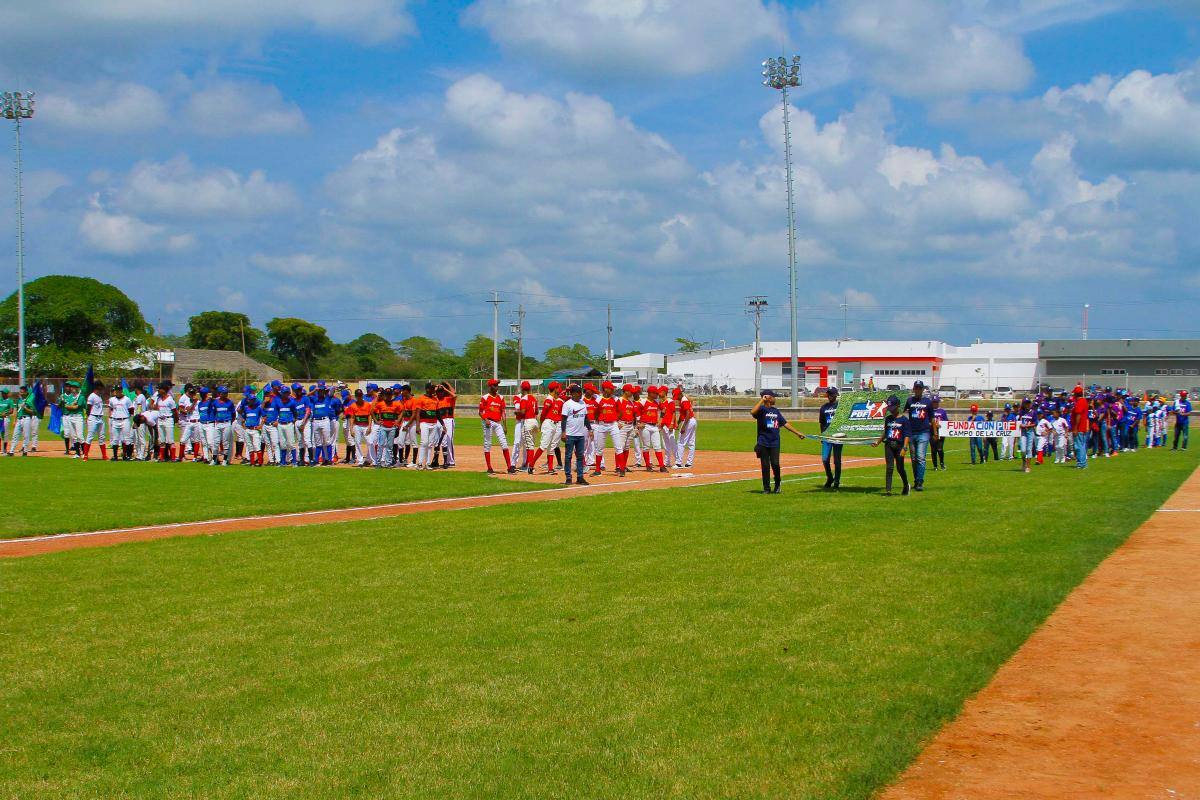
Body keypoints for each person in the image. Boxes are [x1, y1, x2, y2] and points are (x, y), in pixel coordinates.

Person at [750, 390, 804, 494]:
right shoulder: (761, 410)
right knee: (765, 465)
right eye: (773, 397)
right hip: (763, 442)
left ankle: (777, 485)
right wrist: (762, 400)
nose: (775, 398)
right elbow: (752, 412)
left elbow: (785, 424)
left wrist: (797, 433)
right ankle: (766, 488)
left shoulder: (776, 411)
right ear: (768, 397)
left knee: (775, 464)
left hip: (774, 442)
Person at [871, 395, 910, 496]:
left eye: (892, 408)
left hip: (899, 445)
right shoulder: (888, 419)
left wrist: (904, 448)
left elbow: (907, 435)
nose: (891, 410)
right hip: (889, 445)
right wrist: (878, 442)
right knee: (889, 467)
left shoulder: (904, 420)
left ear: (898, 406)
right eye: (889, 408)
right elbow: (885, 432)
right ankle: (888, 490)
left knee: (900, 468)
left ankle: (906, 485)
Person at [479, 378, 516, 474]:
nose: (497, 387)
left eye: (497, 385)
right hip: (488, 423)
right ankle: (489, 468)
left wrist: (505, 425)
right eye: (495, 385)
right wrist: (486, 419)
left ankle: (509, 467)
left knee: (504, 443)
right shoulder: (485, 397)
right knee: (488, 444)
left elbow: (503, 412)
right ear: (490, 386)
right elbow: (480, 412)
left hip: (498, 423)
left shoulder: (501, 397)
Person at [560, 384, 592, 485]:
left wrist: (590, 429)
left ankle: (580, 477)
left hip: (580, 435)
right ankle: (568, 477)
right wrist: (563, 432)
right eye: (578, 393)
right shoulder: (567, 404)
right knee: (568, 456)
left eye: (580, 393)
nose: (580, 395)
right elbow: (563, 419)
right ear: (573, 394)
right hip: (570, 435)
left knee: (580, 456)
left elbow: (586, 418)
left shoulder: (583, 403)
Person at [903, 380, 931, 491]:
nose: (918, 390)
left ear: (923, 389)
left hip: (923, 432)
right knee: (914, 459)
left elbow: (932, 417)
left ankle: (920, 481)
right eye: (917, 388)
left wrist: (935, 432)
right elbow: (902, 411)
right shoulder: (910, 401)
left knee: (920, 458)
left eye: (920, 388)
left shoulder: (927, 402)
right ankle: (916, 480)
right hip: (911, 432)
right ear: (914, 389)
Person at [818, 386, 843, 488]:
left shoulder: (841, 407)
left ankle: (836, 481)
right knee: (824, 459)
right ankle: (830, 477)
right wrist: (822, 435)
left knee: (837, 460)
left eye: (832, 394)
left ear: (836, 395)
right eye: (829, 394)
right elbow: (822, 423)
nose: (830, 396)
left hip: (838, 436)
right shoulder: (823, 407)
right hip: (827, 436)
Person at [345, 388, 375, 466]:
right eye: (358, 395)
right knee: (357, 443)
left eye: (360, 395)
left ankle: (372, 460)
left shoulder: (367, 404)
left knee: (370, 442)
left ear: (362, 395)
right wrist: (351, 429)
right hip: (357, 425)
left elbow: (369, 416)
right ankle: (360, 460)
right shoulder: (353, 405)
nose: (359, 397)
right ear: (356, 396)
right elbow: (352, 417)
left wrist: (369, 426)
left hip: (365, 426)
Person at [7, 385, 38, 456]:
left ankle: (25, 451)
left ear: (26, 392)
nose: (20, 393)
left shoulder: (29, 401)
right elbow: (17, 411)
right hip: (19, 419)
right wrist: (14, 420)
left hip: (26, 418)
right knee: (15, 435)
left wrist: (25, 408)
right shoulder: (19, 400)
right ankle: (11, 451)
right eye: (20, 391)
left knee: (26, 435)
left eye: (22, 392)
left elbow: (33, 412)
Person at [59, 380, 85, 458]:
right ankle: (77, 453)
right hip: (70, 417)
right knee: (74, 436)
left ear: (78, 388)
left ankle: (84, 453)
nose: (73, 389)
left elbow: (76, 407)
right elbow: (67, 406)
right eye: (72, 387)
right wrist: (67, 404)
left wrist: (68, 406)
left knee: (80, 435)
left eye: (75, 387)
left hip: (78, 416)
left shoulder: (81, 397)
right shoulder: (69, 397)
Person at [673, 385, 696, 468]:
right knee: (691, 442)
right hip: (692, 421)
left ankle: (678, 463)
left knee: (681, 442)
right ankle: (689, 463)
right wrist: (678, 423)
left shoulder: (684, 400)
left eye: (676, 397)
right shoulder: (684, 400)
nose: (676, 399)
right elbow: (682, 415)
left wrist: (683, 426)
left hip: (688, 421)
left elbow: (687, 414)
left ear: (680, 394)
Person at [1017, 398, 1037, 473]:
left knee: (1029, 449)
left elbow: (1035, 423)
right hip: (1023, 432)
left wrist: (1028, 426)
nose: (1027, 405)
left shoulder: (1033, 412)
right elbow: (1018, 421)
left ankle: (1028, 466)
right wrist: (1021, 424)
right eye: (1026, 403)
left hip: (1030, 432)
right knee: (1023, 450)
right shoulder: (1022, 412)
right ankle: (1024, 462)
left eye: (1028, 403)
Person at [929, 394, 948, 471]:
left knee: (940, 449)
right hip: (932, 433)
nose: (935, 404)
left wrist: (940, 424)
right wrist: (933, 424)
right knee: (933, 450)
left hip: (941, 433)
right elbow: (927, 421)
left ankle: (942, 463)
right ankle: (935, 465)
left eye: (936, 402)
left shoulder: (942, 411)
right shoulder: (929, 411)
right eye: (933, 402)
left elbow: (946, 422)